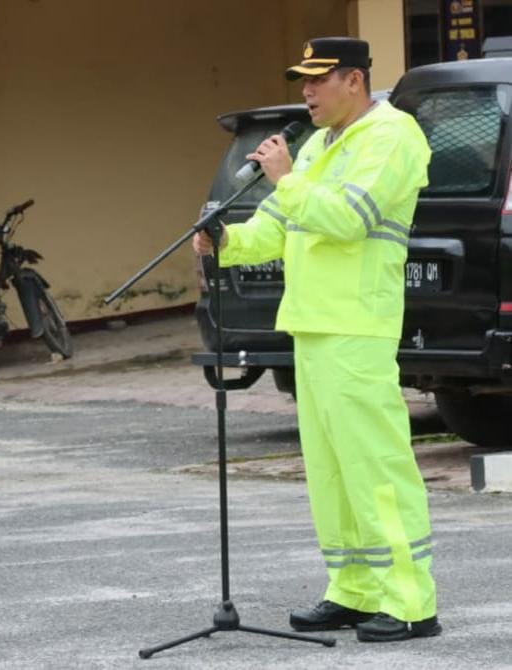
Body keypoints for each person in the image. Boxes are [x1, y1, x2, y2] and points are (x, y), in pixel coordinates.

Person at [193, 38, 440, 643]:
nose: (305, 93)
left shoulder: (391, 136)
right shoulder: (319, 146)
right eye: (302, 81)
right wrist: (227, 241)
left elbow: (347, 220)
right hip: (313, 324)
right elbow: (278, 228)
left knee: (376, 466)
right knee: (331, 471)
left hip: (358, 325)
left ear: (353, 80)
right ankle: (353, 589)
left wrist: (285, 180)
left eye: (316, 81)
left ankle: (410, 602)